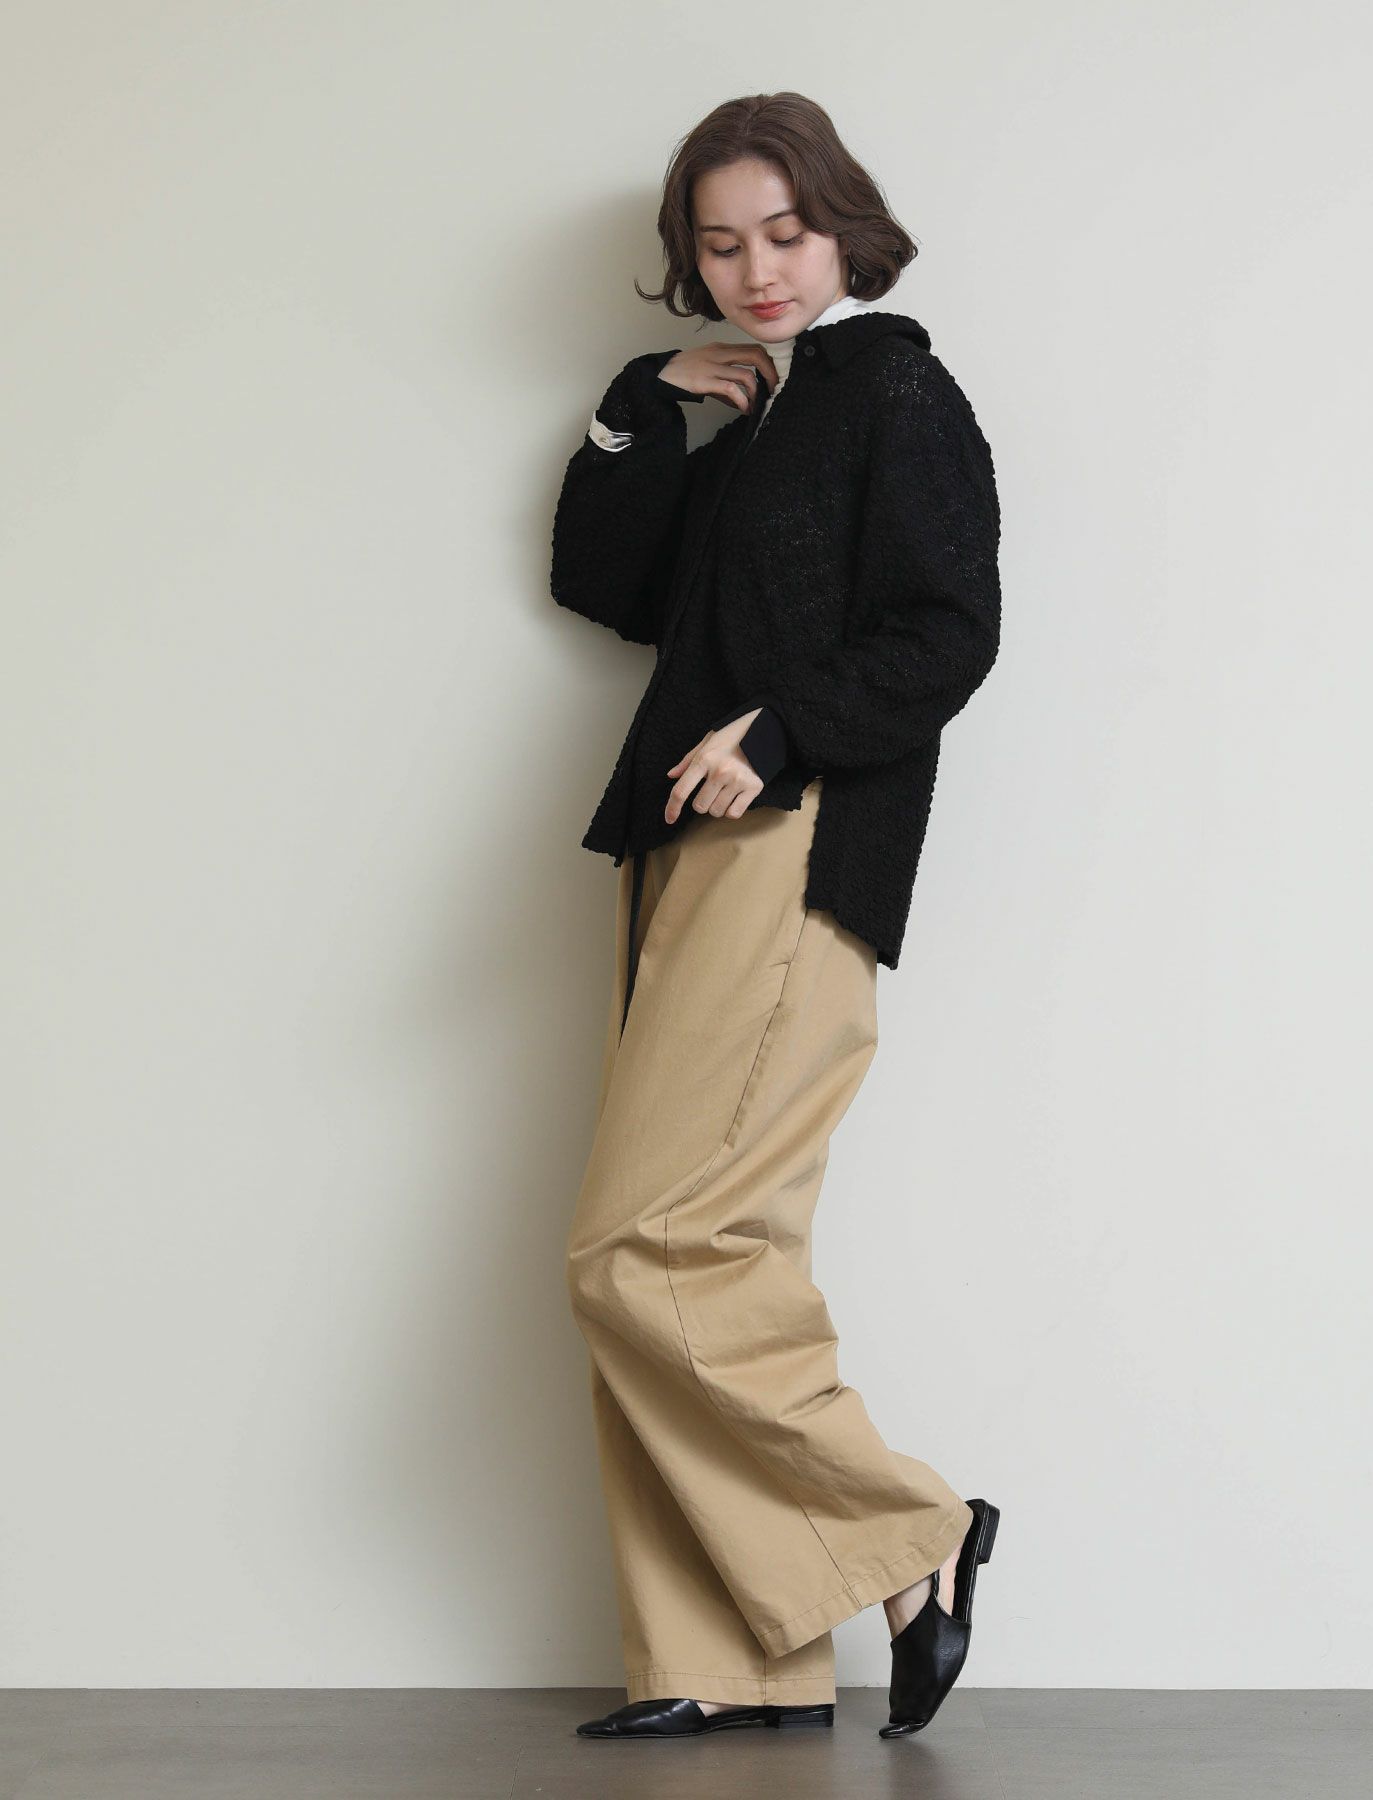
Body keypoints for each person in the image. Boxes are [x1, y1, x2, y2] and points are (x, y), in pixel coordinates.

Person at [549, 90, 1003, 1741]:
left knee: (642, 1251)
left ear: (843, 227)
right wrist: (639, 408)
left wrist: (785, 729)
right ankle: (727, 1661)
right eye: (723, 244)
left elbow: (949, 629)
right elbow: (605, 586)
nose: (757, 271)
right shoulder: (758, 413)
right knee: (711, 1250)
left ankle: (912, 1536)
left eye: (786, 235)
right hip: (684, 854)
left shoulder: (893, 388)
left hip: (793, 845)